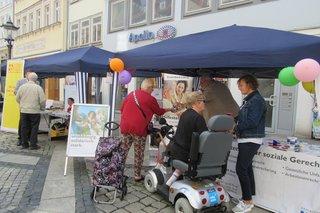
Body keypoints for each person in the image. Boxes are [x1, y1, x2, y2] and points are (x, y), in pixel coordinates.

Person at [120, 78, 175, 182]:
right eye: (152, 89)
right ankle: (137, 175)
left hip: (125, 127)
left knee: (123, 150)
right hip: (139, 129)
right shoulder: (150, 99)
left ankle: (118, 172)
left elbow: (122, 108)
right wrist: (170, 109)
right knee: (139, 152)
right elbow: (159, 112)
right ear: (148, 88)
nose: (153, 91)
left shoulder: (131, 94)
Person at [232, 75, 266, 213]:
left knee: (241, 169)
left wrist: (235, 128)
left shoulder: (256, 100)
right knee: (247, 168)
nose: (239, 88)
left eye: (241, 85)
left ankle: (247, 202)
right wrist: (232, 118)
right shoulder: (249, 100)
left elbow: (252, 121)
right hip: (246, 138)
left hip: (251, 139)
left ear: (250, 84)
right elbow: (243, 117)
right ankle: (248, 198)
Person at [166, 91, 208, 186]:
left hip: (177, 151)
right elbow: (205, 140)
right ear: (197, 103)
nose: (205, 103)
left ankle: (174, 177)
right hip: (187, 155)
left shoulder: (185, 114)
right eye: (203, 101)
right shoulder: (198, 118)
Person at [16, 72, 46, 150]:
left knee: (24, 127)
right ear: (36, 79)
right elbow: (42, 100)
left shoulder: (22, 87)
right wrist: (42, 108)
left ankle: (24, 144)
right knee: (34, 127)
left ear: (28, 78)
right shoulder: (38, 88)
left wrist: (22, 104)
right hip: (34, 111)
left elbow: (17, 98)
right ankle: (33, 145)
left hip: (24, 110)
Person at [14, 69, 31, 146]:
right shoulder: (20, 81)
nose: (30, 75)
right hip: (23, 106)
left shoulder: (36, 82)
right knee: (22, 123)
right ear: (25, 75)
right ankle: (20, 138)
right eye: (29, 74)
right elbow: (15, 91)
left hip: (32, 107)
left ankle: (29, 137)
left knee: (31, 122)